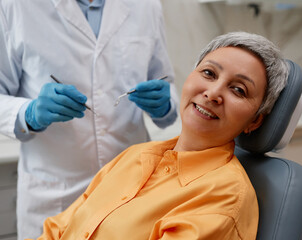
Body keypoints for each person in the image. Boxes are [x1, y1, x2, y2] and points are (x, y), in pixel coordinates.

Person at [30, 31, 289, 240]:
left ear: (255, 120)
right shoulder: (133, 156)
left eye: (238, 90)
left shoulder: (223, 196)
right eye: (209, 73)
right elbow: (58, 231)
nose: (212, 93)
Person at [0, 0, 178, 238]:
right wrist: (29, 112)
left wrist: (164, 105)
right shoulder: (16, 6)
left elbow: (164, 81)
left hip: (129, 194)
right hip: (55, 198)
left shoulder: (146, 5)